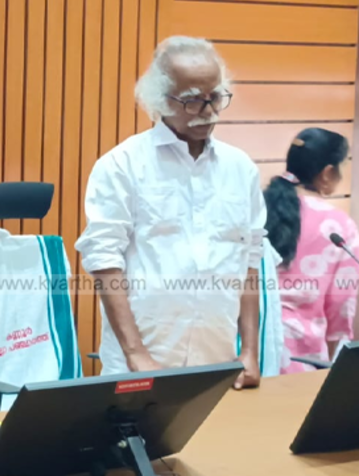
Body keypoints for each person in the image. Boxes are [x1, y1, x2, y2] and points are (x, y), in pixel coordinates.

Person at [75, 36, 265, 389]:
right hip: (142, 364)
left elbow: (249, 261)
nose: (208, 112)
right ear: (159, 100)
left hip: (217, 363)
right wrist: (135, 355)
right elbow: (104, 261)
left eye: (216, 98)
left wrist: (250, 350)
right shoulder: (122, 165)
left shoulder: (241, 169)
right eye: (193, 101)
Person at [263, 128, 358, 374]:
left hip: (248, 350)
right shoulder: (339, 226)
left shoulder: (254, 208)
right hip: (302, 360)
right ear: (327, 172)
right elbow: (341, 304)